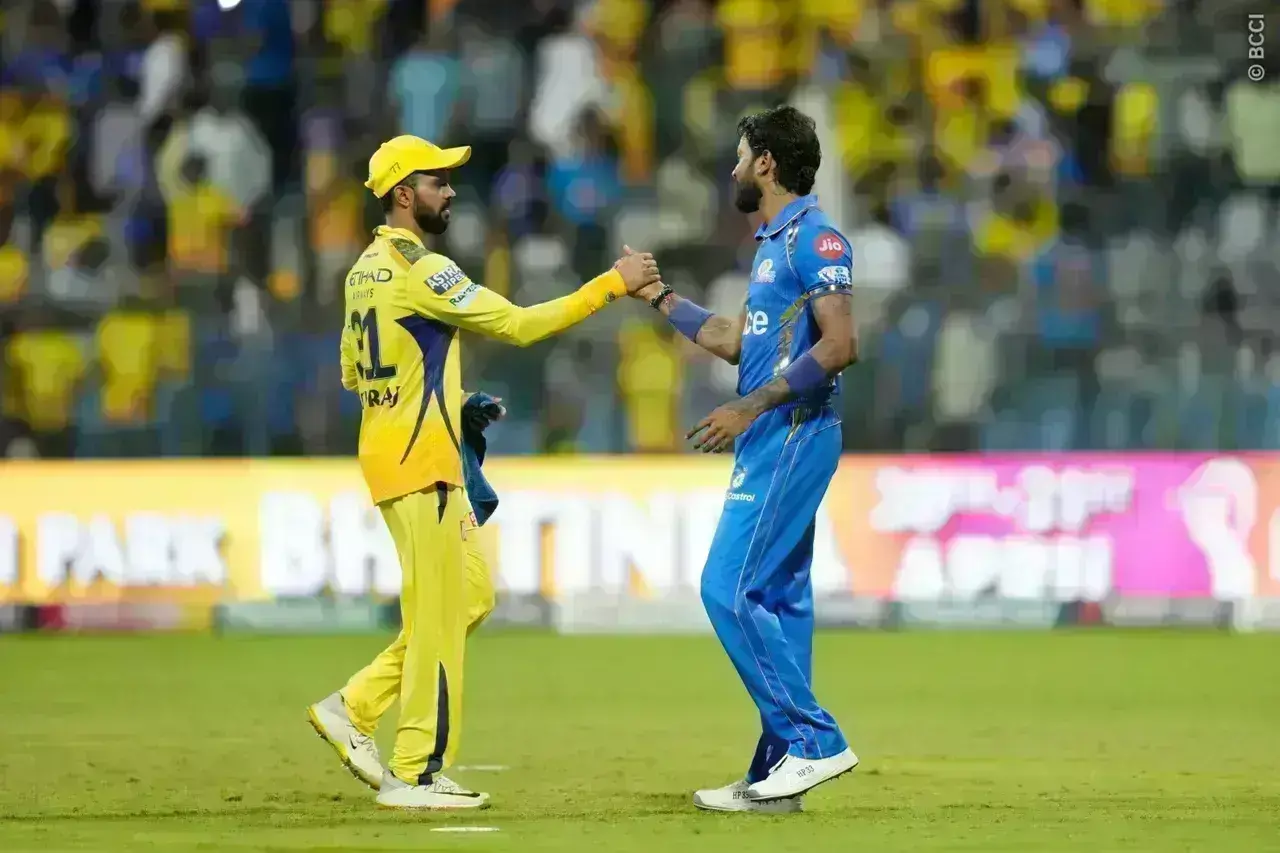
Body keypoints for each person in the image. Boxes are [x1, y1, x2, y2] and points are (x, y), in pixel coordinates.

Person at [307, 135, 660, 810]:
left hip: (391, 453)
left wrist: (451, 399)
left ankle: (353, 706)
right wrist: (613, 285)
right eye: (437, 181)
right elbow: (521, 325)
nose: (450, 191)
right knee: (439, 619)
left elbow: (356, 374)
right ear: (403, 193)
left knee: (468, 598)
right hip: (423, 464)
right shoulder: (423, 268)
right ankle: (416, 771)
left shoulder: (362, 272)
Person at [631, 106, 859, 813]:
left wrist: (750, 407)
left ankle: (815, 741)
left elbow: (840, 344)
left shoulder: (816, 239)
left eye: (739, 155)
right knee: (779, 601)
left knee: (726, 588)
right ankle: (778, 770)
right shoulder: (773, 245)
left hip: (792, 430)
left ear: (765, 162)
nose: (731, 169)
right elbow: (737, 341)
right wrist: (659, 295)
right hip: (775, 434)